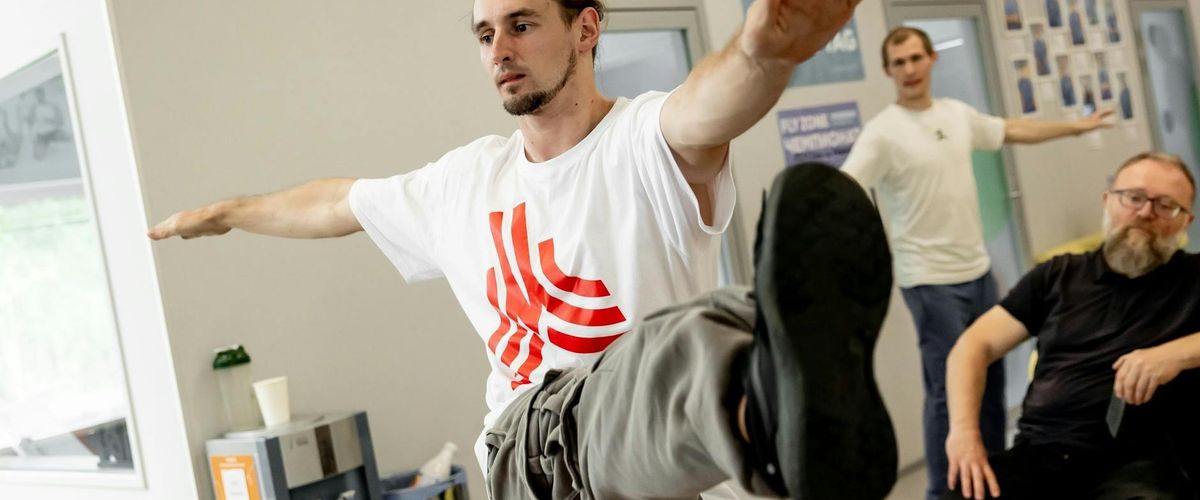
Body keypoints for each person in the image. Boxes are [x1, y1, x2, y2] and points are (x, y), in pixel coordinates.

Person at [149, 0, 900, 497]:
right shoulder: (463, 182)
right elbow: (338, 202)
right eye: (485, 35)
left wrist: (763, 53)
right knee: (672, 351)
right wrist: (231, 211)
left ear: (586, 29)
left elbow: (706, 109)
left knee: (717, 325)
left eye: (521, 24)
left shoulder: (641, 142)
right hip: (532, 450)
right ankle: (766, 411)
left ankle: (781, 401)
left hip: (657, 459)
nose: (499, 50)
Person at [840, 26, 1113, 500]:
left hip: (979, 273)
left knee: (989, 380)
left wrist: (1076, 127)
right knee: (949, 392)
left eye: (915, 58)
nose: (909, 69)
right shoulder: (882, 132)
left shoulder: (956, 114)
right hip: (930, 282)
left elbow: (1012, 130)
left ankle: (990, 479)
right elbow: (845, 186)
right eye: (899, 62)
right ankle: (941, 492)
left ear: (931, 60)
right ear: (887, 71)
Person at [943, 152, 1199, 499]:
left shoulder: (1193, 278)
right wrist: (963, 432)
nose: (1145, 212)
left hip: (1138, 465)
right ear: (1108, 200)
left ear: (1186, 222)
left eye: (1166, 205)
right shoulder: (1057, 275)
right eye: (1134, 197)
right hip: (1040, 454)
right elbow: (974, 345)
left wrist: (1178, 353)